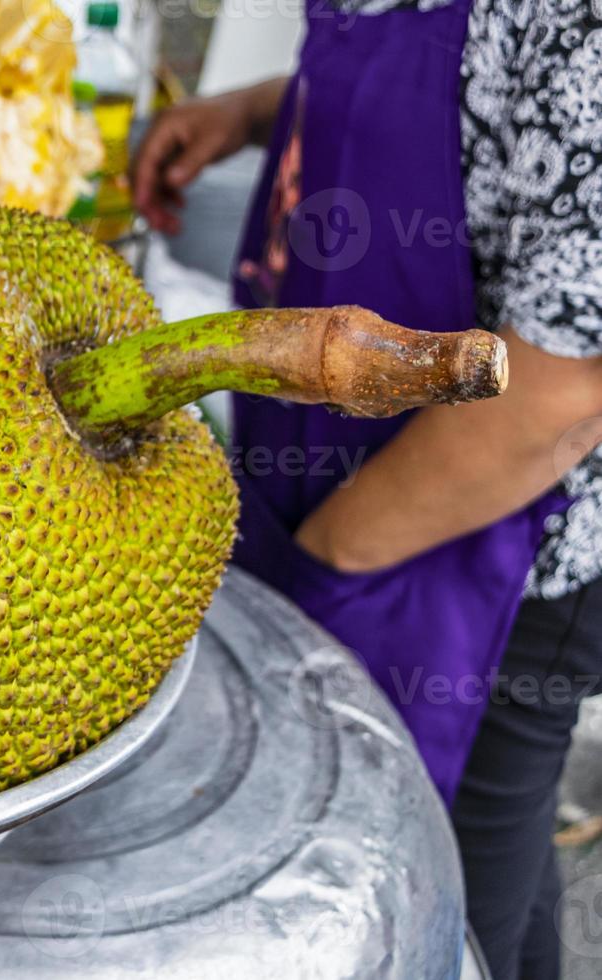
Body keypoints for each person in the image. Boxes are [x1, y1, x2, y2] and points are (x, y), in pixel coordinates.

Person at [132, 3, 602, 978]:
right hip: (314, 485)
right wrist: (263, 110)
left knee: (441, 888)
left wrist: (325, 567)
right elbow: (471, 110)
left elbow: (560, 389)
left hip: (492, 549)